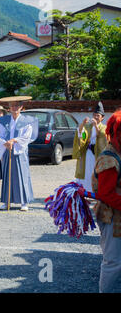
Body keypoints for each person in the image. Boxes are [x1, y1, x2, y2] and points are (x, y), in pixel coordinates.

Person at [86, 110, 121, 292]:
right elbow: (106, 194)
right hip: (111, 217)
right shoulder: (109, 158)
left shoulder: (118, 151)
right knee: (113, 262)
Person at [0, 96, 38, 212]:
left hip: (20, 151)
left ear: (21, 107)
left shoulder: (26, 121)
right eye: (12, 106)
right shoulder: (4, 121)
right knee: (7, 175)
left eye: (17, 106)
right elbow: (0, 135)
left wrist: (14, 141)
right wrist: (5, 143)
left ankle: (24, 202)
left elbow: (26, 136)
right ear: (9, 108)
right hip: (7, 150)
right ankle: (6, 200)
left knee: (21, 175)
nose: (14, 108)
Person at [73, 101, 107, 193]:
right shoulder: (88, 126)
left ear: (102, 117)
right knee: (86, 172)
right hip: (87, 153)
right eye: (94, 115)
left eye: (98, 116)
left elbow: (101, 136)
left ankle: (95, 192)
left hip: (97, 154)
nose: (96, 117)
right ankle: (85, 191)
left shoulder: (104, 127)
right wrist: (83, 124)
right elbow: (82, 135)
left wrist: (96, 126)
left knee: (95, 173)